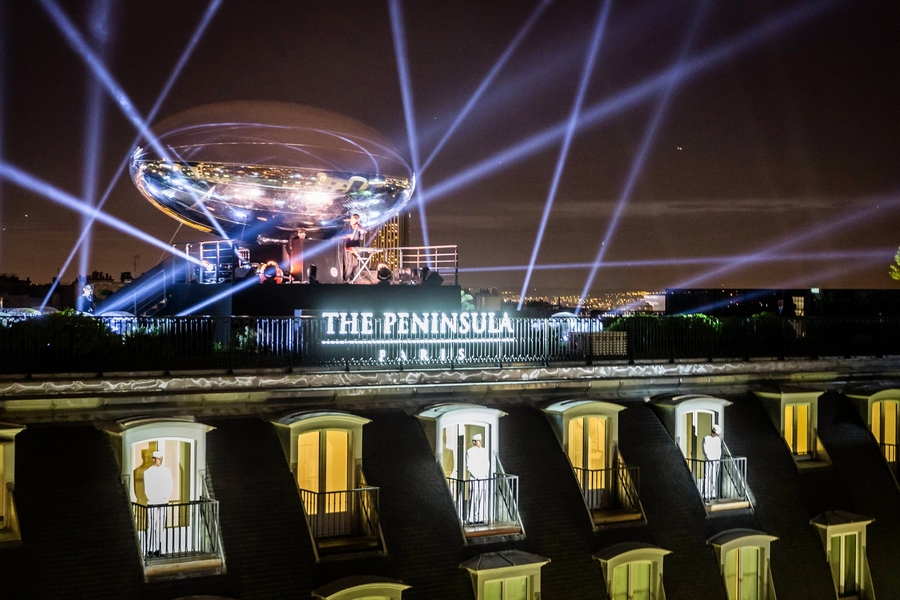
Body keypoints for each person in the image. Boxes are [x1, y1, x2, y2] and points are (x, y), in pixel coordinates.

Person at [143, 449, 173, 557]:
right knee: (151, 526)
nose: (160, 461)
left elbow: (170, 486)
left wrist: (165, 498)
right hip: (152, 503)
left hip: (163, 502)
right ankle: (150, 549)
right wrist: (154, 499)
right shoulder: (148, 472)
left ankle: (158, 549)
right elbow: (147, 489)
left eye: (161, 459)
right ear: (153, 459)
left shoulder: (167, 471)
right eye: (158, 459)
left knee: (160, 526)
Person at [465, 433, 490, 524]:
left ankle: (480, 518)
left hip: (483, 477)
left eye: (480, 440)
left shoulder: (484, 451)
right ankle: (471, 518)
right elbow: (469, 466)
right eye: (479, 441)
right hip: (474, 478)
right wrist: (476, 475)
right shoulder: (469, 451)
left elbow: (487, 463)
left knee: (482, 498)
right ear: (474, 442)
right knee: (473, 498)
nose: (480, 442)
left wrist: (484, 475)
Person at [342, 213, 367, 282]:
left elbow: (361, 239)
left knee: (356, 263)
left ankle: (354, 278)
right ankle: (346, 278)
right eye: (354, 220)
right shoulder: (347, 226)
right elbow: (348, 237)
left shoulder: (359, 226)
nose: (355, 222)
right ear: (352, 219)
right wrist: (353, 232)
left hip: (356, 245)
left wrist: (362, 233)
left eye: (357, 221)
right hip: (349, 245)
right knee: (350, 263)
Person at [701, 424, 722, 501]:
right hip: (709, 460)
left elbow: (719, 450)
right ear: (713, 432)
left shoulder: (718, 440)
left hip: (715, 460)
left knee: (714, 477)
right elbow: (705, 450)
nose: (716, 435)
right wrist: (710, 458)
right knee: (707, 477)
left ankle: (712, 493)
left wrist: (718, 458)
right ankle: (705, 494)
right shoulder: (706, 438)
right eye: (715, 434)